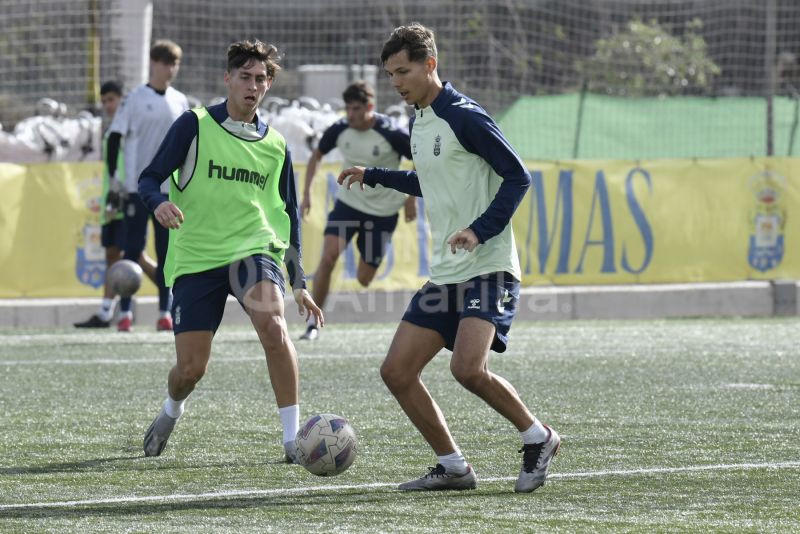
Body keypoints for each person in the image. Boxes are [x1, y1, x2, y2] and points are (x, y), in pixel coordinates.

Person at [338, 23, 560, 493]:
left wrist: (480, 230)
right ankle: (453, 466)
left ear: (430, 65)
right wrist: (375, 175)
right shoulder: (420, 119)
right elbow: (431, 180)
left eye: (404, 71)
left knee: (467, 369)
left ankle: (538, 437)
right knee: (396, 371)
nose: (396, 82)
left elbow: (518, 177)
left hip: (489, 266)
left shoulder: (465, 116)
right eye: (390, 74)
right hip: (447, 273)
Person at [137, 39, 323, 460]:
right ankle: (172, 409)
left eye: (261, 79)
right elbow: (148, 179)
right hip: (197, 257)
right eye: (245, 77)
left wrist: (299, 284)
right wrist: (160, 203)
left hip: (253, 251)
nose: (253, 86)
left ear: (269, 85)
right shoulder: (193, 124)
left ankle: (293, 440)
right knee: (190, 370)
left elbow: (290, 217)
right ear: (228, 78)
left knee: (273, 327)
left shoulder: (276, 145)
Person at [299, 80, 416, 341]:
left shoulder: (391, 132)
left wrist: (411, 197)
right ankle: (312, 324)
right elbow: (316, 155)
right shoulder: (340, 128)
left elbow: (419, 159)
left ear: (370, 107)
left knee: (364, 278)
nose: (350, 115)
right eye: (347, 109)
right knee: (328, 257)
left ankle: (366, 246)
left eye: (355, 109)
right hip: (348, 205)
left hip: (383, 211)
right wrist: (306, 194)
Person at [107, 39, 190, 332]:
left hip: (169, 192)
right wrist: (114, 180)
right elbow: (115, 137)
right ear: (154, 63)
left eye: (175, 64)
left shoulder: (180, 101)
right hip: (136, 188)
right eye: (167, 63)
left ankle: (164, 313)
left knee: (167, 253)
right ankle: (126, 313)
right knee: (132, 249)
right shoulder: (134, 99)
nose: (171, 69)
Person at [74, 81, 159, 328]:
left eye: (112, 99)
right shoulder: (111, 129)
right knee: (113, 254)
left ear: (123, 100)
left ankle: (171, 297)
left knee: (134, 256)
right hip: (112, 199)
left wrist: (121, 191)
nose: (108, 105)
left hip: (124, 198)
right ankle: (105, 312)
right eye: (104, 101)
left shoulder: (128, 128)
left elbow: (131, 163)